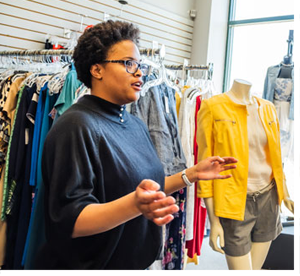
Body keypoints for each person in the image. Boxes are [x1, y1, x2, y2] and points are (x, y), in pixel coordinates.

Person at [35, 20, 237, 270]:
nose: (139, 72)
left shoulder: (133, 123)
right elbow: (70, 219)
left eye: (139, 64)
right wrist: (134, 205)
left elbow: (143, 188)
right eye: (128, 63)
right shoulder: (75, 125)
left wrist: (191, 174)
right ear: (97, 70)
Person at [197, 79, 293, 270]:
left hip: (269, 198)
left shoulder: (267, 108)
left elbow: (276, 157)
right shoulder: (213, 106)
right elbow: (205, 168)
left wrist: (286, 194)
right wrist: (214, 221)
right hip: (234, 202)